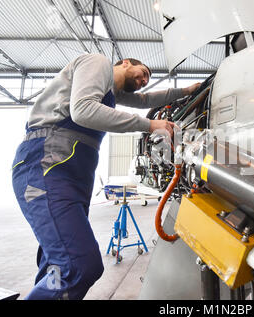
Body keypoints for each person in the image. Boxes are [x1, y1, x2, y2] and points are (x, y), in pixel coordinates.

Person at [11, 53, 200, 300]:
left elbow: (146, 99)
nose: (144, 80)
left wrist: (187, 90)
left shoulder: (111, 93)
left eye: (147, 80)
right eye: (143, 73)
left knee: (56, 266)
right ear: (125, 63)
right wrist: (149, 125)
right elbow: (82, 111)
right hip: (47, 166)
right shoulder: (97, 62)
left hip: (70, 175)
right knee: (78, 265)